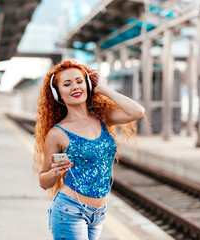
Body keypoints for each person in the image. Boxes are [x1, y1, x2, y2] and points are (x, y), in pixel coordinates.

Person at [33, 60, 145, 240]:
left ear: (87, 84)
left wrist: (102, 88)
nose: (75, 87)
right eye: (67, 84)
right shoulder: (57, 133)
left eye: (79, 81)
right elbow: (44, 181)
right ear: (58, 94)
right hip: (69, 211)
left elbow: (137, 111)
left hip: (98, 213)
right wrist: (54, 172)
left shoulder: (102, 118)